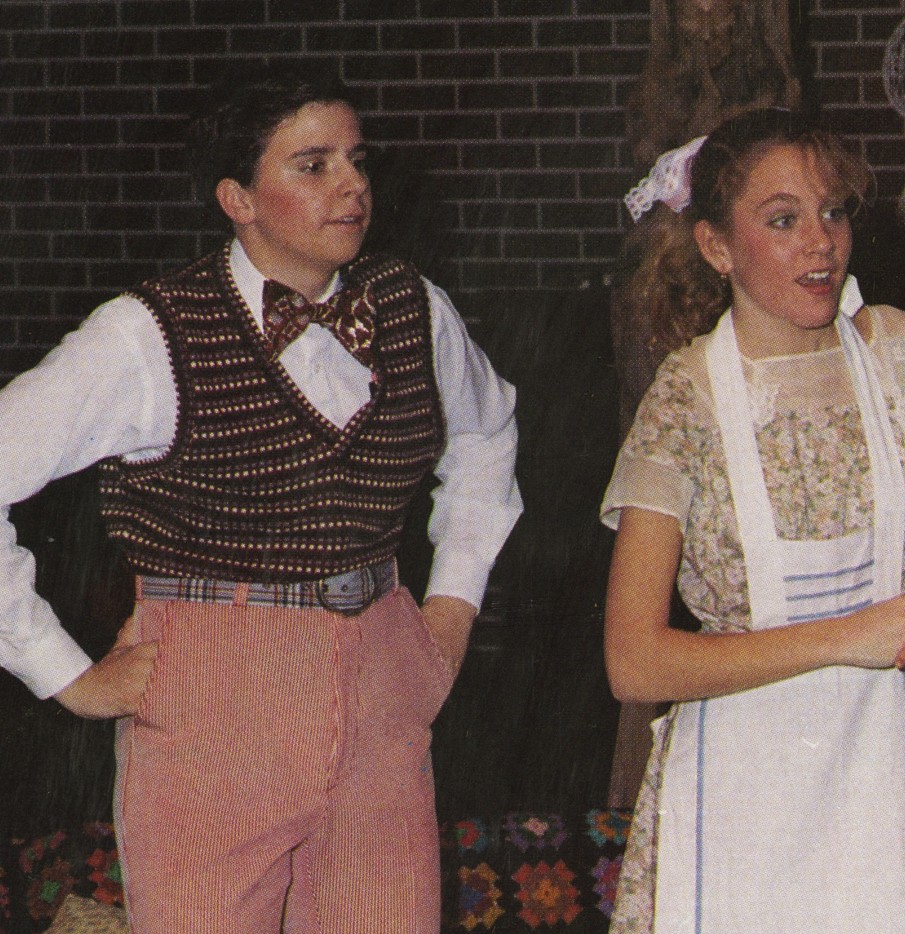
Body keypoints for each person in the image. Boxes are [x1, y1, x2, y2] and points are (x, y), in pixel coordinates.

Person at [0, 65, 522, 933]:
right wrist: (65, 674)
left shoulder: (412, 307)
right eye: (313, 165)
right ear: (237, 199)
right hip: (214, 695)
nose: (352, 185)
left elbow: (488, 436)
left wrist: (453, 605)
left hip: (385, 681)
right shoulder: (148, 335)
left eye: (356, 159)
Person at [600, 107, 905, 933]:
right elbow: (634, 661)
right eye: (783, 220)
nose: (821, 243)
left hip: (876, 775)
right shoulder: (688, 400)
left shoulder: (901, 356)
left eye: (833, 212)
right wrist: (849, 637)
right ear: (717, 247)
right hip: (738, 797)